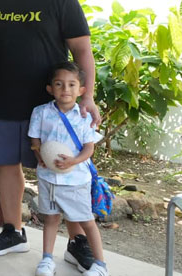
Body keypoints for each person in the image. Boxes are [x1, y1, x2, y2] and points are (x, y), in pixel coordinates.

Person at [0, 0, 100, 270]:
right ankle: (13, 231)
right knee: (5, 165)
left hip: (54, 108)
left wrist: (86, 96)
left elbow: (82, 51)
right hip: (3, 100)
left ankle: (76, 242)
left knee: (64, 171)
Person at [29, 61, 108, 276]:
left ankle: (101, 265)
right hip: (48, 177)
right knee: (51, 218)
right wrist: (39, 155)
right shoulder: (41, 112)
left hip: (75, 179)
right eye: (59, 84)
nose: (65, 90)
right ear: (50, 88)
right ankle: (47, 259)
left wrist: (73, 161)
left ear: (81, 90)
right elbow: (35, 139)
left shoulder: (84, 117)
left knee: (86, 221)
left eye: (72, 85)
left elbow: (88, 149)